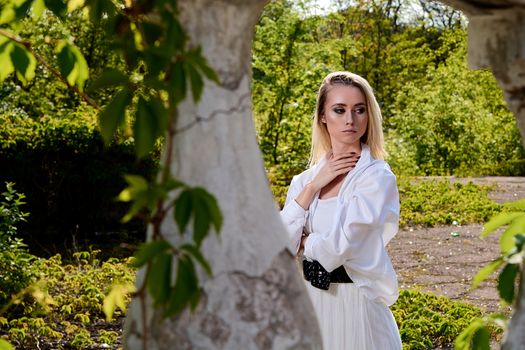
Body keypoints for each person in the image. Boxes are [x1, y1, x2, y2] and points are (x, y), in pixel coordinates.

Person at [280, 71, 402, 349]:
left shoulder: (377, 177)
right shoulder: (303, 181)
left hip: (356, 307)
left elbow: (341, 247)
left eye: (359, 110)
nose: (350, 120)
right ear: (323, 116)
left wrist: (306, 240)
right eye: (339, 110)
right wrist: (312, 188)